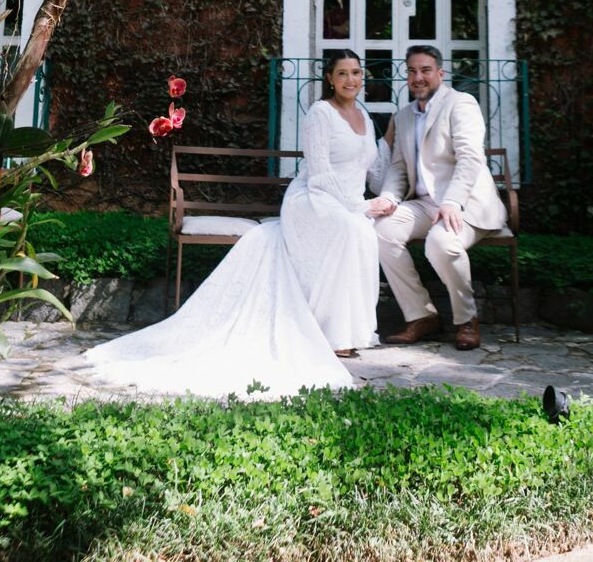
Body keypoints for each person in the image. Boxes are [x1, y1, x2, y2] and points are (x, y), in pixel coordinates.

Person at [82, 50, 387, 398]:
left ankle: (349, 332)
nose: (351, 80)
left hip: (347, 204)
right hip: (315, 201)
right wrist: (358, 206)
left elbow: (373, 167)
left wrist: (384, 194)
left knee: (363, 231)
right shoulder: (321, 113)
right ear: (330, 79)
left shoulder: (363, 115)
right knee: (350, 229)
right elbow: (319, 174)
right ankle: (329, 335)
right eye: (343, 73)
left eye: (357, 73)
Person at [369, 44, 507, 352]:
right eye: (412, 71)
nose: (418, 77)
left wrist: (452, 202)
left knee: (441, 243)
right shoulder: (404, 116)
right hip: (424, 204)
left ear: (440, 74)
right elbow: (398, 167)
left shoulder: (461, 103)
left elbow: (470, 159)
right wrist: (390, 198)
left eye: (426, 70)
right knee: (381, 231)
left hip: (466, 203)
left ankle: (466, 320)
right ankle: (422, 315)